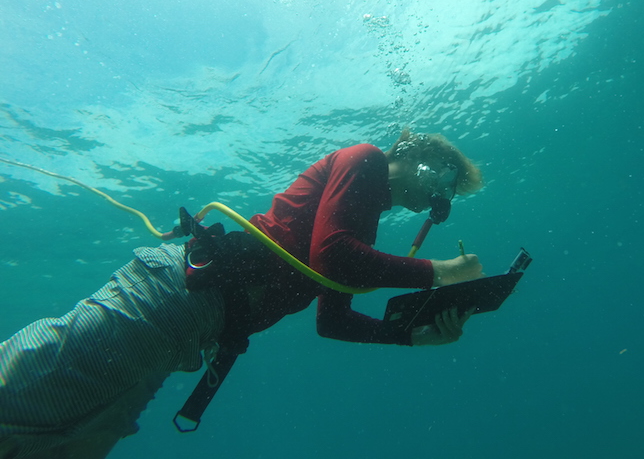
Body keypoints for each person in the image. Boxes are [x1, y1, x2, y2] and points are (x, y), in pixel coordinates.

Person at [0, 129, 484, 459]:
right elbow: (332, 258)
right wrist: (439, 271)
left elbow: (331, 320)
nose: (444, 194)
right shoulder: (366, 158)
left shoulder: (366, 226)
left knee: (64, 443)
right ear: (417, 157)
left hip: (194, 326)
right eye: (446, 178)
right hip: (176, 295)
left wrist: (415, 337)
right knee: (20, 396)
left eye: (452, 192)